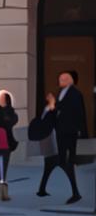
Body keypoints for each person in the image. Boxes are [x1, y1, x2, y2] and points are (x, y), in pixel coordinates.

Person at [37, 70, 86, 203]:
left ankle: (75, 193)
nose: (61, 79)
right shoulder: (61, 93)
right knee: (56, 162)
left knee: (64, 162)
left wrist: (54, 105)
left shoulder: (75, 94)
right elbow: (58, 111)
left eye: (65, 78)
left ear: (72, 80)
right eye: (60, 77)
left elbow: (73, 111)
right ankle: (42, 189)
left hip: (68, 132)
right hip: (59, 132)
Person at [0, 89, 18, 201]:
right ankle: (1, 193)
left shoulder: (10, 113)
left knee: (3, 168)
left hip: (6, 143)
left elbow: (11, 122)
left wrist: (3, 122)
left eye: (2, 98)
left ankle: (2, 193)